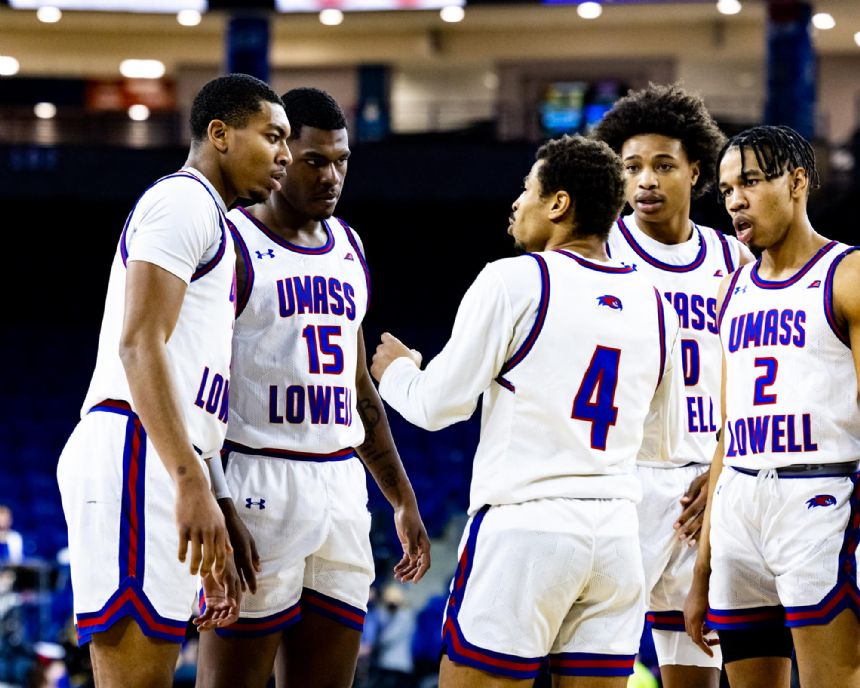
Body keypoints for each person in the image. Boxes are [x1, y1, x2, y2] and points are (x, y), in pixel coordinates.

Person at [371, 134, 684, 688]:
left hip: (527, 528)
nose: (516, 203)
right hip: (616, 534)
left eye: (526, 190)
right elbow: (662, 436)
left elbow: (438, 405)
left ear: (558, 204)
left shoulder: (514, 279)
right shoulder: (657, 303)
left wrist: (396, 370)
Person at [56, 74, 290, 688]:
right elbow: (139, 344)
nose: (285, 156)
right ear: (219, 135)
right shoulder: (181, 201)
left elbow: (190, 382)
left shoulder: (214, 219)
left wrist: (213, 491)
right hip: (139, 452)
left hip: (168, 455)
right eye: (272, 137)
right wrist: (188, 481)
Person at [196, 87, 431, 688]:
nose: (332, 176)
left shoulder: (349, 247)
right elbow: (195, 391)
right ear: (279, 156)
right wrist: (215, 499)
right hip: (255, 479)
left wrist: (400, 499)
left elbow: (359, 389)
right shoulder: (229, 242)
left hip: (340, 486)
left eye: (342, 161)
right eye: (314, 161)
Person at [685, 125, 860, 688]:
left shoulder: (847, 276)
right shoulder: (732, 290)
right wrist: (702, 568)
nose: (735, 199)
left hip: (819, 499)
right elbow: (726, 432)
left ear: (798, 182)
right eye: (727, 188)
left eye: (751, 183)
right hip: (738, 503)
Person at [593, 83, 753, 688]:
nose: (646, 181)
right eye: (631, 167)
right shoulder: (602, 252)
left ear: (697, 171)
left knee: (696, 670)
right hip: (621, 482)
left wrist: (721, 472)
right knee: (593, 660)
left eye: (663, 166)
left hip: (704, 487)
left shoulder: (733, 260)